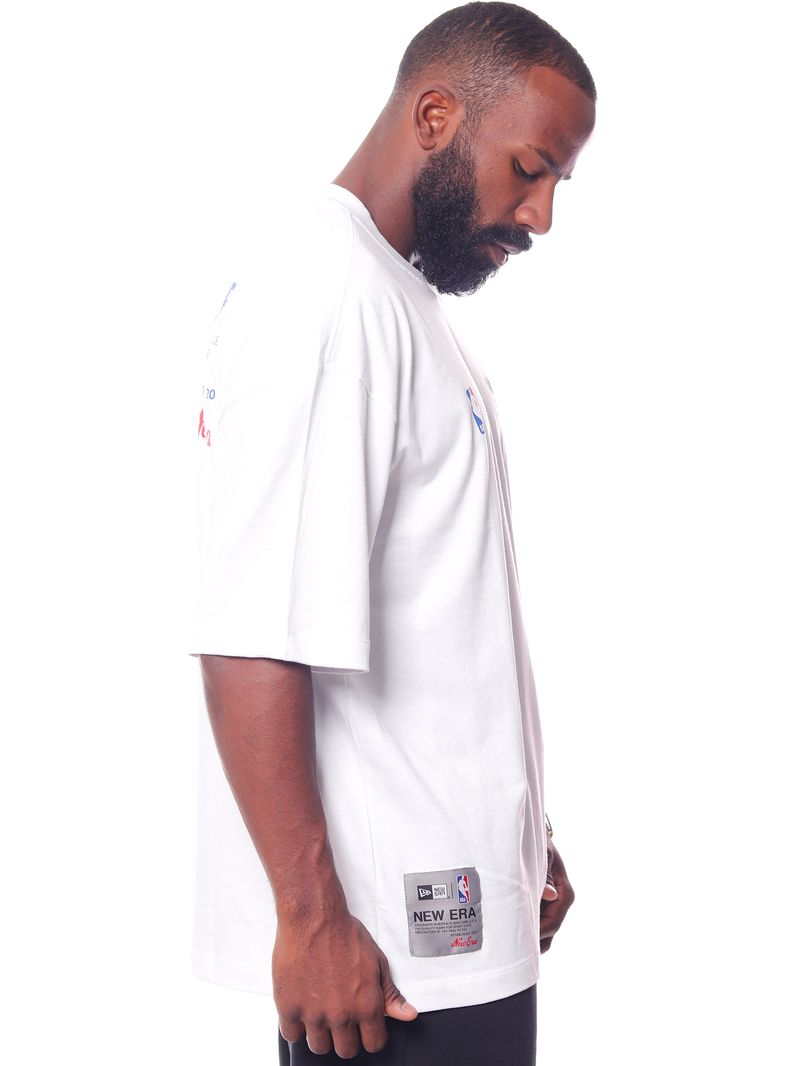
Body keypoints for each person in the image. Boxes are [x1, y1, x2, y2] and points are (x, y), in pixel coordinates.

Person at [189, 3, 596, 1063]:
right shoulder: (324, 297)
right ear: (434, 117)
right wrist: (312, 918)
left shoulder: (392, 296)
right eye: (530, 168)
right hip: (380, 958)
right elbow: (251, 634)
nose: (542, 214)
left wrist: (518, 840)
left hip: (448, 916)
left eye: (559, 183)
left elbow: (441, 619)